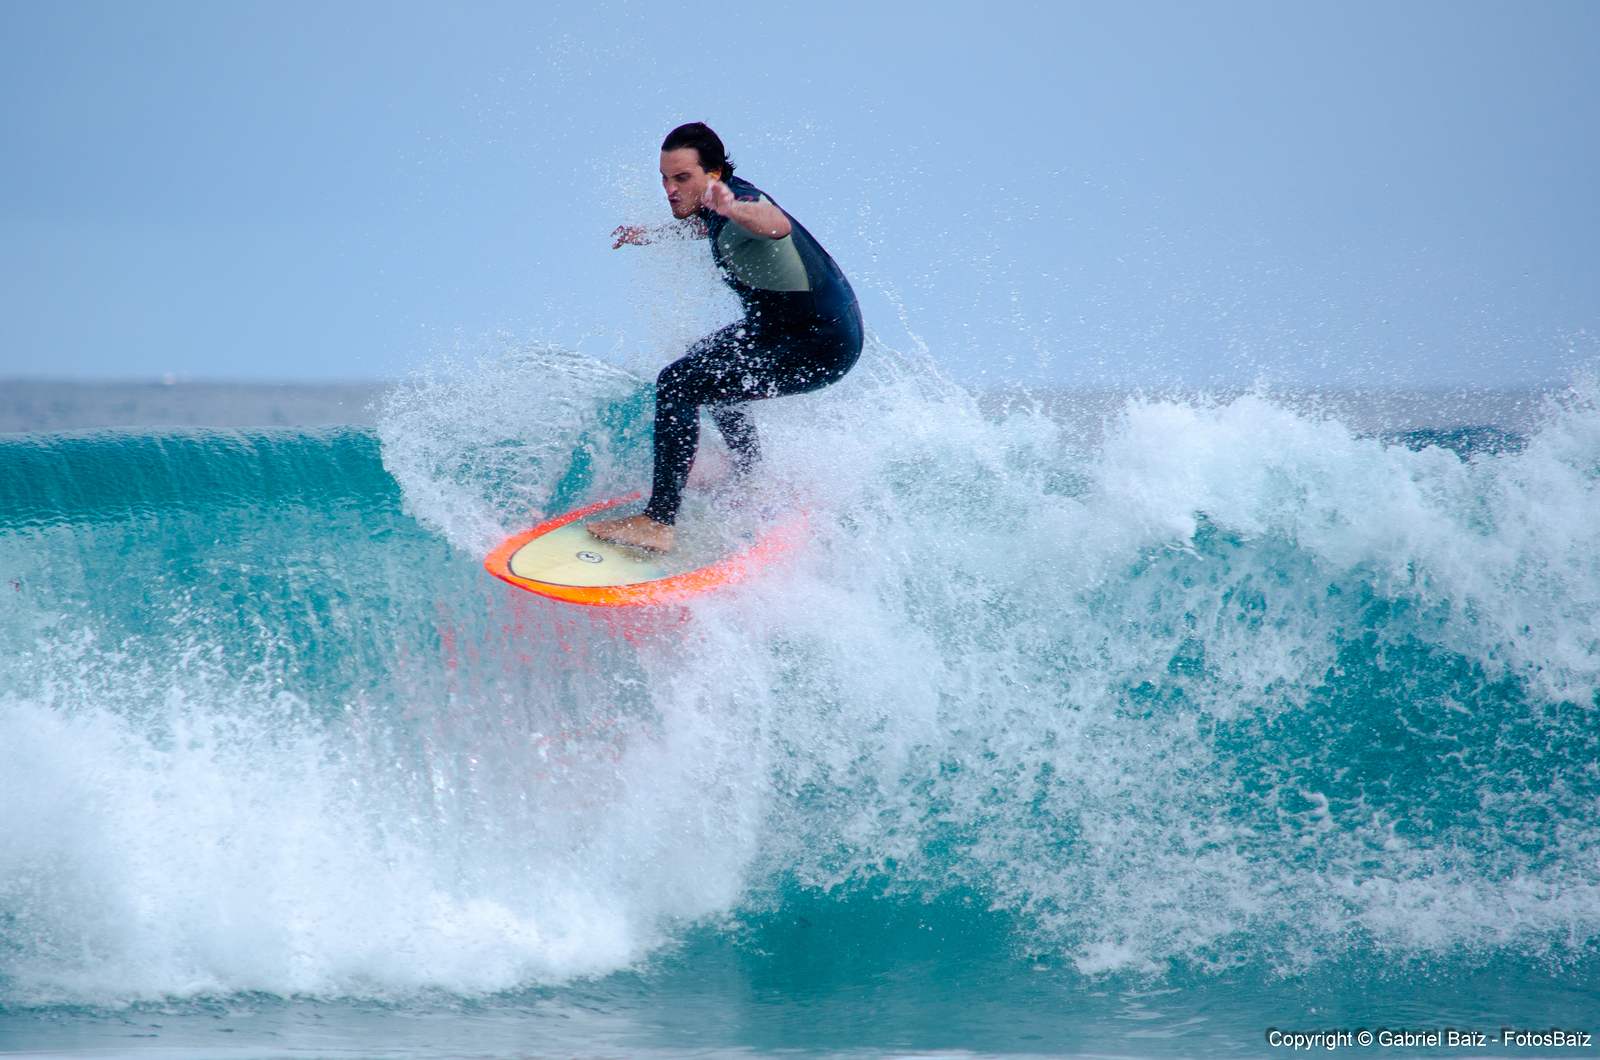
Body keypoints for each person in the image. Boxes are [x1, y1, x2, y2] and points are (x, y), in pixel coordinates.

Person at [587, 122, 863, 552]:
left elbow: (775, 225)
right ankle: (750, 475)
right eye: (664, 178)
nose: (669, 189)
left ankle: (658, 523)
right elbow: (708, 227)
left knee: (680, 383)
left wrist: (733, 207)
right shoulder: (715, 206)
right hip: (781, 329)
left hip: (819, 342)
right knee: (703, 363)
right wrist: (652, 236)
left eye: (682, 178)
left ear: (713, 174)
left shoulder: (744, 202)